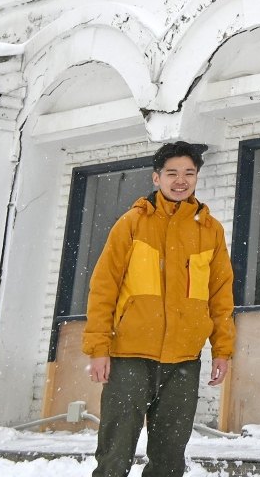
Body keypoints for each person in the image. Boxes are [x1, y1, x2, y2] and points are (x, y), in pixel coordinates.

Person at [83, 141, 236, 477]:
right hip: (130, 355)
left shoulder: (210, 231)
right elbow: (103, 287)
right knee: (115, 451)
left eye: (188, 173)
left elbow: (220, 296)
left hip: (183, 359)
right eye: (172, 173)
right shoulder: (132, 224)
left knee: (169, 455)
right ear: (156, 178)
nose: (180, 180)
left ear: (196, 178)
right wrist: (98, 348)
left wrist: (222, 350)